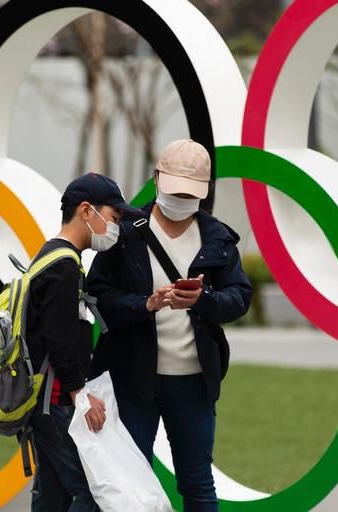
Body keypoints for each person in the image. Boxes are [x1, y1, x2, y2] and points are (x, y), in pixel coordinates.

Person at [87, 139, 252, 512]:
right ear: (157, 178)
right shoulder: (123, 235)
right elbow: (98, 295)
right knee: (127, 482)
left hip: (194, 380)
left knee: (197, 483)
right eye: (175, 189)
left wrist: (204, 300)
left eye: (190, 193)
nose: (181, 199)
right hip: (132, 380)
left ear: (206, 191)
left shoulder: (219, 239)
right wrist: (142, 304)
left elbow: (239, 297)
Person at [25, 172, 141, 512]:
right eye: (114, 217)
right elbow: (59, 337)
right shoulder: (64, 266)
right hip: (56, 398)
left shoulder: (53, 257)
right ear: (87, 211)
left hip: (46, 398)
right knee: (91, 491)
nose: (116, 227)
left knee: (53, 494)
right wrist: (80, 395)